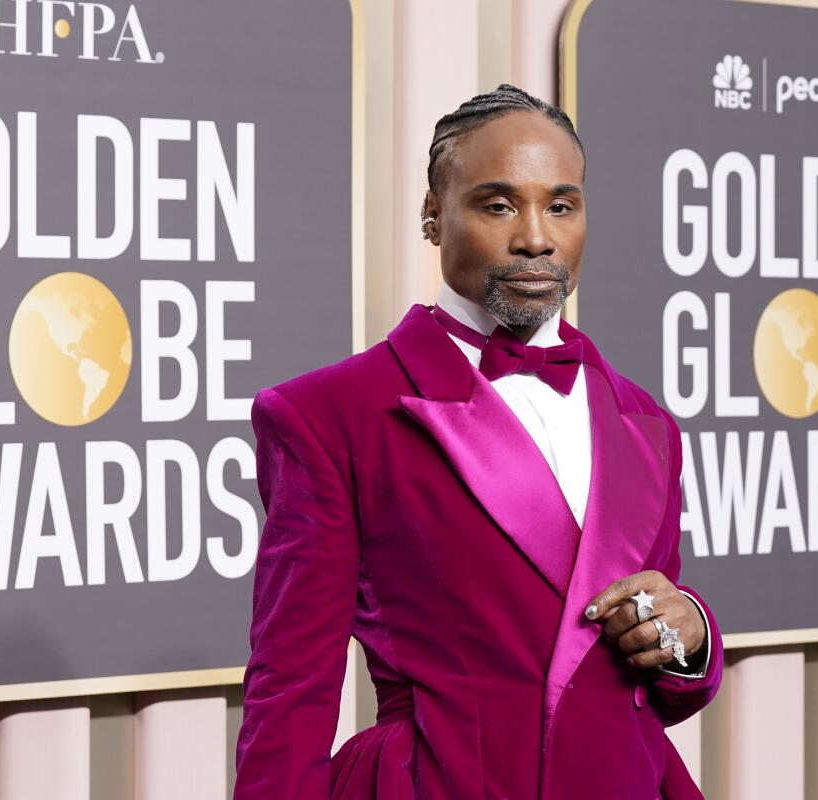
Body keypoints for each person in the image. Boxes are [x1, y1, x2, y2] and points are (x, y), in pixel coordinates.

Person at [232, 84, 723, 800]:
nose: (535, 237)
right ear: (433, 217)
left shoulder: (645, 421)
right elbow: (292, 686)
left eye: (561, 204)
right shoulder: (328, 416)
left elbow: (657, 690)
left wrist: (690, 635)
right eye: (498, 204)